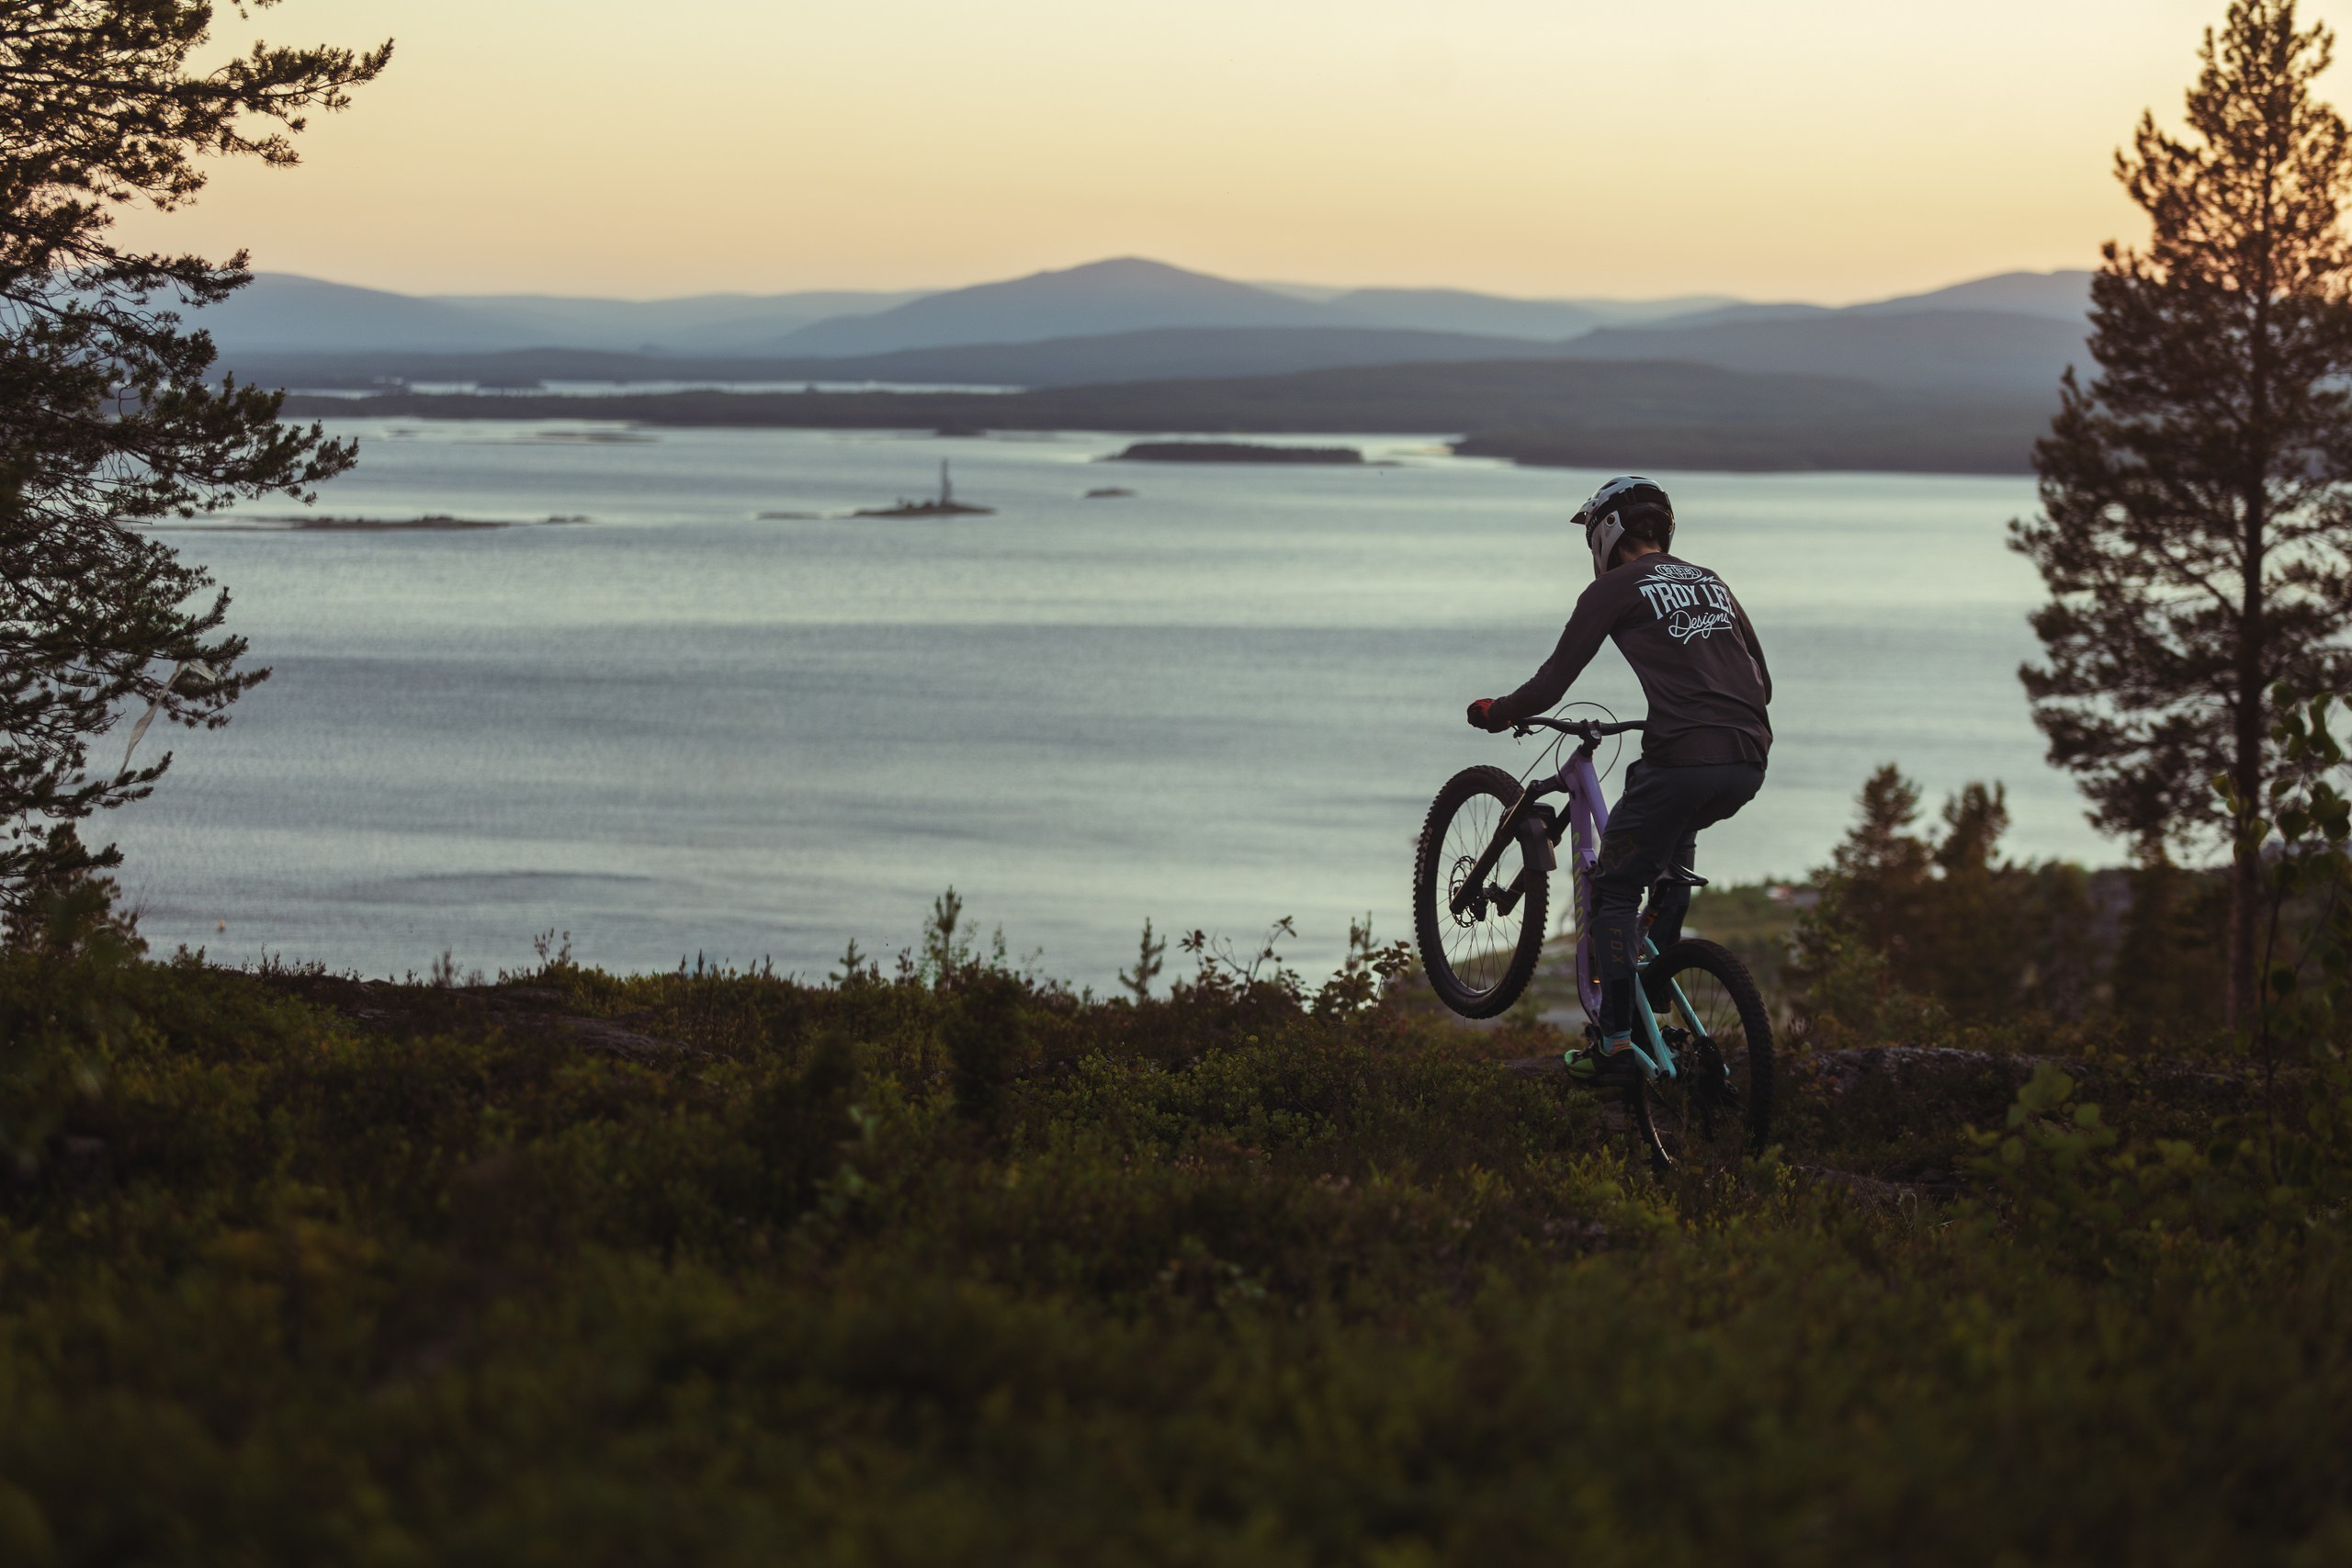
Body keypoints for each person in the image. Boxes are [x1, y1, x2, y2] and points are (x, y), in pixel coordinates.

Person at [1464, 476, 1770, 1081]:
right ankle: (1656, 972)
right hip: (1748, 759)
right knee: (1667, 834)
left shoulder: (1614, 588)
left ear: (1607, 530)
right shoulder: (1713, 581)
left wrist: (1500, 712)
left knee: (1612, 889)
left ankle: (1617, 1043)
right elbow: (1760, 683)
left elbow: (1550, 685)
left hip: (1682, 758)